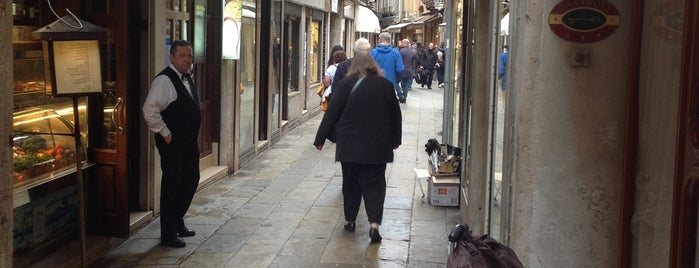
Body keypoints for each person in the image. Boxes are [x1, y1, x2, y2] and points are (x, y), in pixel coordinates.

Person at [313, 52, 402, 243]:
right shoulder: (386, 86)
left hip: (350, 146)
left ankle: (351, 220)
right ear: (374, 66)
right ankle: (374, 225)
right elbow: (396, 117)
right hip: (377, 147)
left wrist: (320, 139)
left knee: (351, 184)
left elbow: (331, 114)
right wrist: (395, 141)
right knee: (375, 185)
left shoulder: (345, 85)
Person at [142, 40, 201, 248]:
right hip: (173, 142)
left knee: (191, 179)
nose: (187, 60)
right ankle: (168, 233)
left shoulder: (186, 77)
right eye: (182, 56)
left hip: (189, 142)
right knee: (172, 185)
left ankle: (177, 221)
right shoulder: (164, 81)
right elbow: (149, 111)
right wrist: (167, 135)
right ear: (172, 58)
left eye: (189, 56)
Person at [371, 32, 405, 103]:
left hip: (375, 83)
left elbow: (368, 68)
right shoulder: (395, 53)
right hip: (390, 83)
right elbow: (400, 69)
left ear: (380, 40)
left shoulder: (373, 53)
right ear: (389, 41)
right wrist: (395, 80)